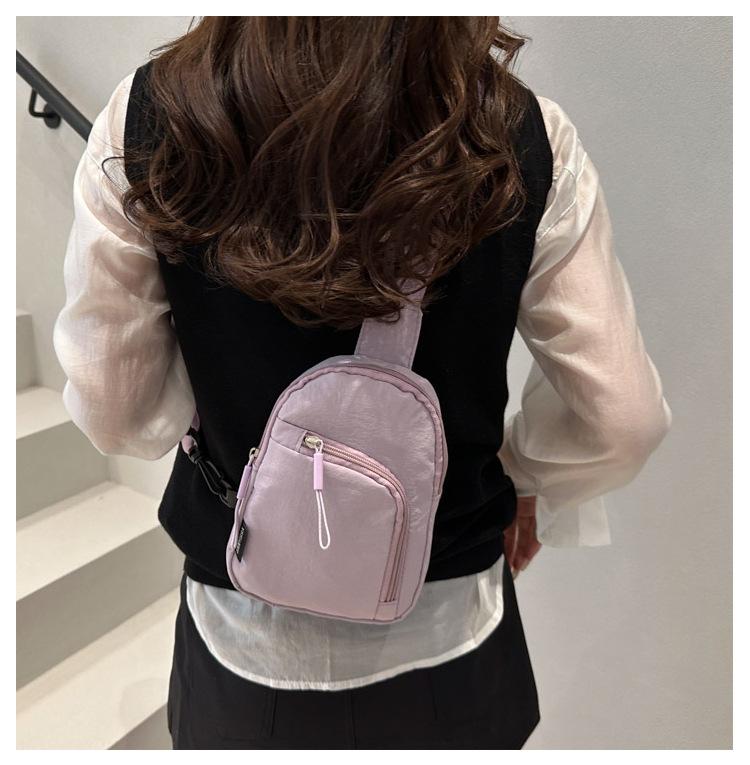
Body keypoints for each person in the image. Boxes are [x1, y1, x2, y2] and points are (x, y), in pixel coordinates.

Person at [53, 17, 672, 750]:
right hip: (454, 642)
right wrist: (522, 474)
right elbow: (623, 418)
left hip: (242, 641)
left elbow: (114, 410)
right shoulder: (524, 133)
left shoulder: (149, 115)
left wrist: (221, 424)